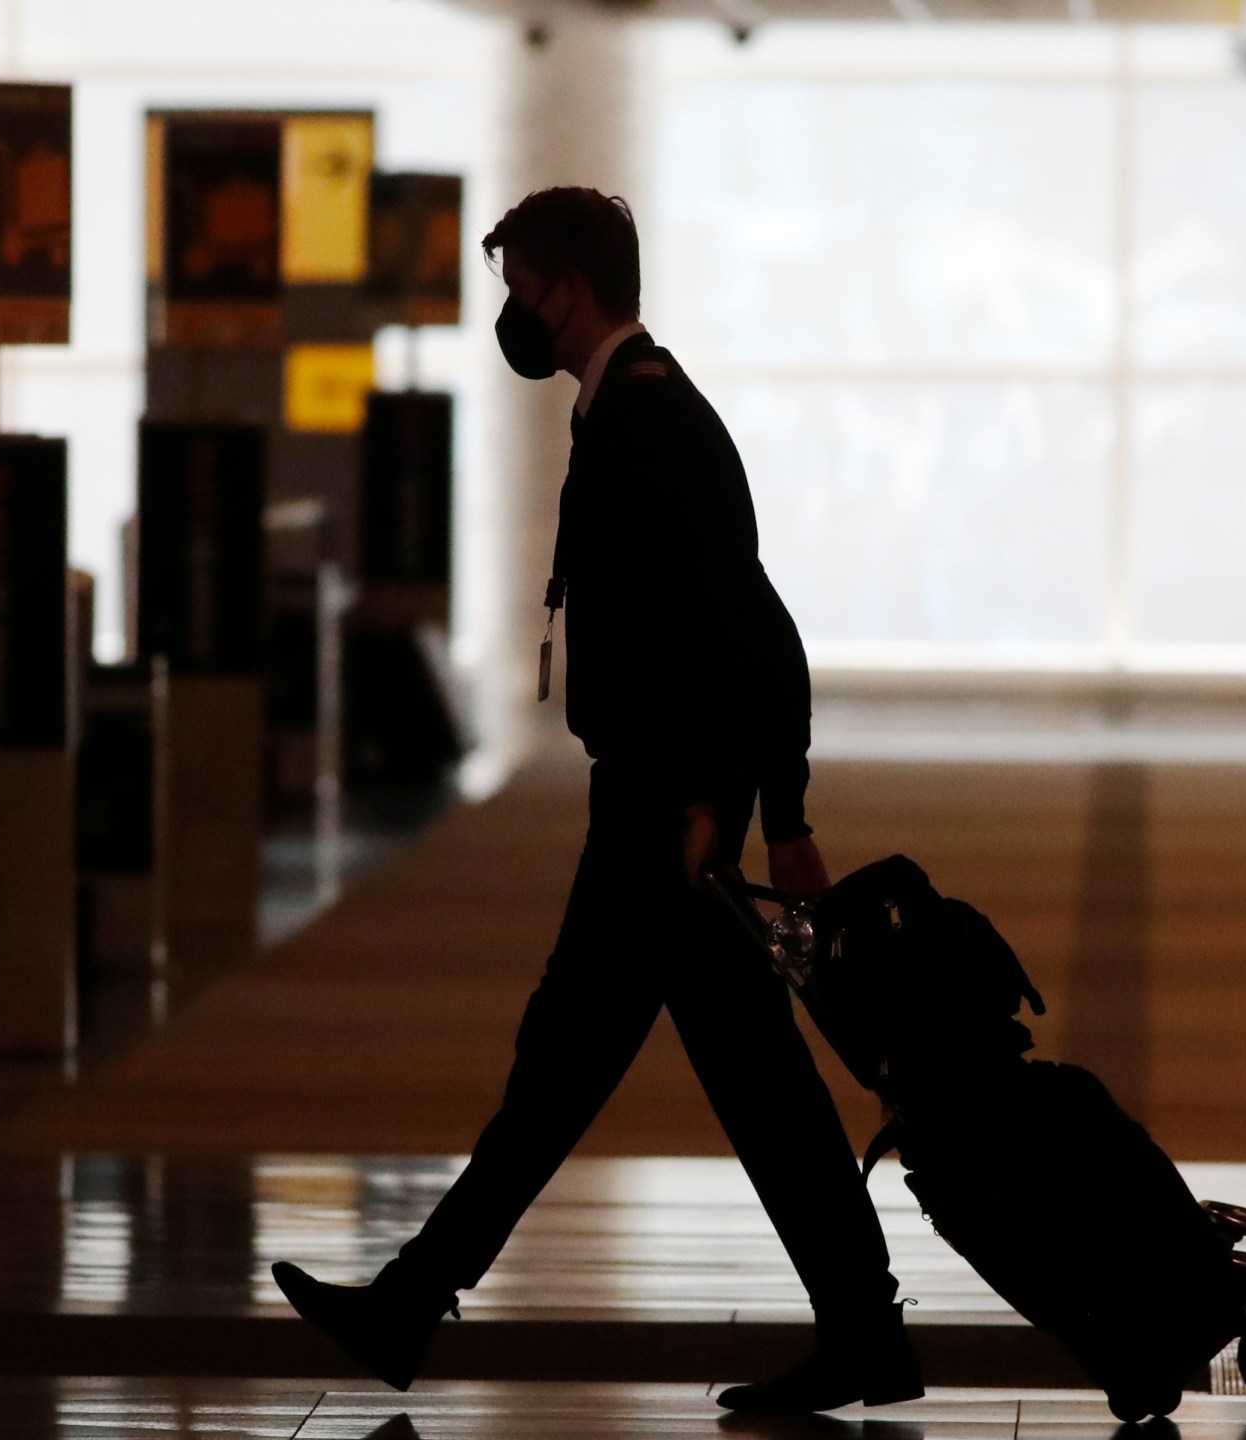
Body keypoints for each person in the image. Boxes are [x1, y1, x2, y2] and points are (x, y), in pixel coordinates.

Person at [272, 186, 920, 1416]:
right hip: (649, 807)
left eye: (517, 282)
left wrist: (740, 809)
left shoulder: (652, 423)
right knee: (711, 1080)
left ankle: (413, 1299)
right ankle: (862, 1331)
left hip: (659, 822)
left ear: (567, 287)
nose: (509, 309)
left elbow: (747, 635)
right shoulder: (626, 412)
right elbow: (734, 630)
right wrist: (752, 808)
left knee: (582, 1070)